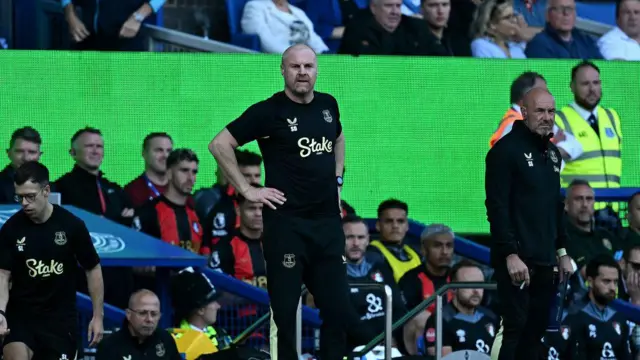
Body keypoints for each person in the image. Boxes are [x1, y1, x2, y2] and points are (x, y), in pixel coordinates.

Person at [209, 43, 371, 360]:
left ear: (316, 70)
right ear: (283, 70)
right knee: (285, 315)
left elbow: (338, 137)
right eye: (294, 67)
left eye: (308, 67)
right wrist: (248, 189)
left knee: (339, 310)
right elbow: (219, 144)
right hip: (287, 226)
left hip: (326, 224)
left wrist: (338, 178)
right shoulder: (269, 111)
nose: (302, 73)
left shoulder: (328, 105)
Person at [484, 87, 574, 360]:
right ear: (524, 112)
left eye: (551, 111)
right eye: (540, 111)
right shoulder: (504, 151)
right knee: (515, 328)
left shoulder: (553, 155)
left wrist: (562, 252)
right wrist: (510, 253)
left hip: (546, 260)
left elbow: (554, 208)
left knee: (536, 332)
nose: (547, 117)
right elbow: (496, 208)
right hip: (517, 261)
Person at [0, 161, 104, 359]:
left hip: (60, 321)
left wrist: (98, 316)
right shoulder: (11, 229)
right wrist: (0, 312)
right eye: (19, 197)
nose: (24, 204)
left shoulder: (72, 225)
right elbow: (3, 274)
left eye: (30, 197)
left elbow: (93, 269)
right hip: (21, 316)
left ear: (46, 190)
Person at [96, 289, 182, 360]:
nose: (149, 319)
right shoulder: (109, 346)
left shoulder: (165, 339)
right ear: (128, 314)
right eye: (142, 313)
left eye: (154, 314)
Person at [0, 127, 42, 204]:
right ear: (9, 153)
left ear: (39, 155)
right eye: (19, 151)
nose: (26, 158)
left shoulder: (51, 186)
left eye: (32, 152)